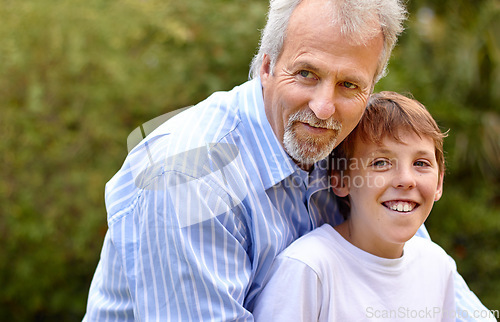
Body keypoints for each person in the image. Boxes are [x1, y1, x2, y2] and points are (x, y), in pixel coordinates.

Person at [83, 0, 492, 320]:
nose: (325, 107)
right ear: (266, 66)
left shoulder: (353, 148)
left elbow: (424, 278)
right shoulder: (188, 174)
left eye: (349, 84)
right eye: (307, 74)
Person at [253, 91, 460, 321]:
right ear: (341, 179)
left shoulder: (438, 268)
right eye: (381, 163)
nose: (406, 179)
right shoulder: (308, 270)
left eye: (421, 163)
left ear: (439, 182)